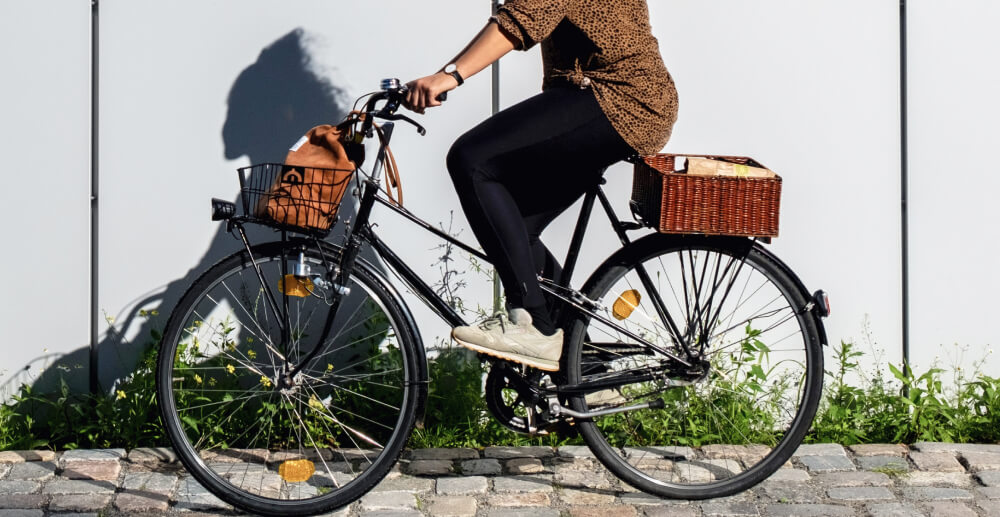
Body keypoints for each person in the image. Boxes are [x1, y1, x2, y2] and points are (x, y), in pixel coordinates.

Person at [404, 0, 678, 372]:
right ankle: (584, 372)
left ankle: (531, 324)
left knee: (471, 160)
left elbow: (524, 18)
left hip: (619, 98)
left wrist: (449, 75)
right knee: (514, 224)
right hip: (612, 98)